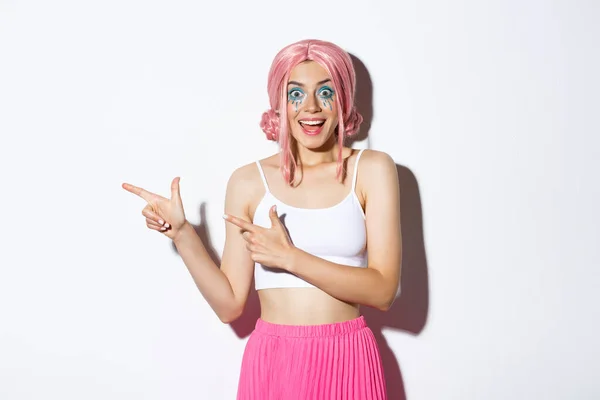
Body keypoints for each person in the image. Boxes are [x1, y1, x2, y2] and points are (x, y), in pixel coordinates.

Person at [123, 39, 402, 400]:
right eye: (296, 94)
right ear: (279, 104)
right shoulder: (248, 181)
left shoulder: (372, 170)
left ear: (344, 98)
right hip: (274, 360)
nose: (311, 108)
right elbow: (229, 305)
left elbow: (383, 292)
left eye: (326, 91)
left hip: (347, 356)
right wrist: (182, 234)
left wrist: (290, 258)